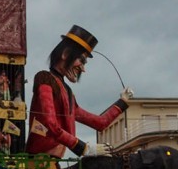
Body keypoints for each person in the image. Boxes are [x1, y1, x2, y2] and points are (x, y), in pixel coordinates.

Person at [25, 25, 131, 161]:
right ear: (66, 54)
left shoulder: (68, 93)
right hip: (37, 163)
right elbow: (50, 124)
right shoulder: (44, 79)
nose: (83, 69)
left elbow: (100, 123)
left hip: (53, 163)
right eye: (81, 60)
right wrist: (83, 148)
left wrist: (122, 102)